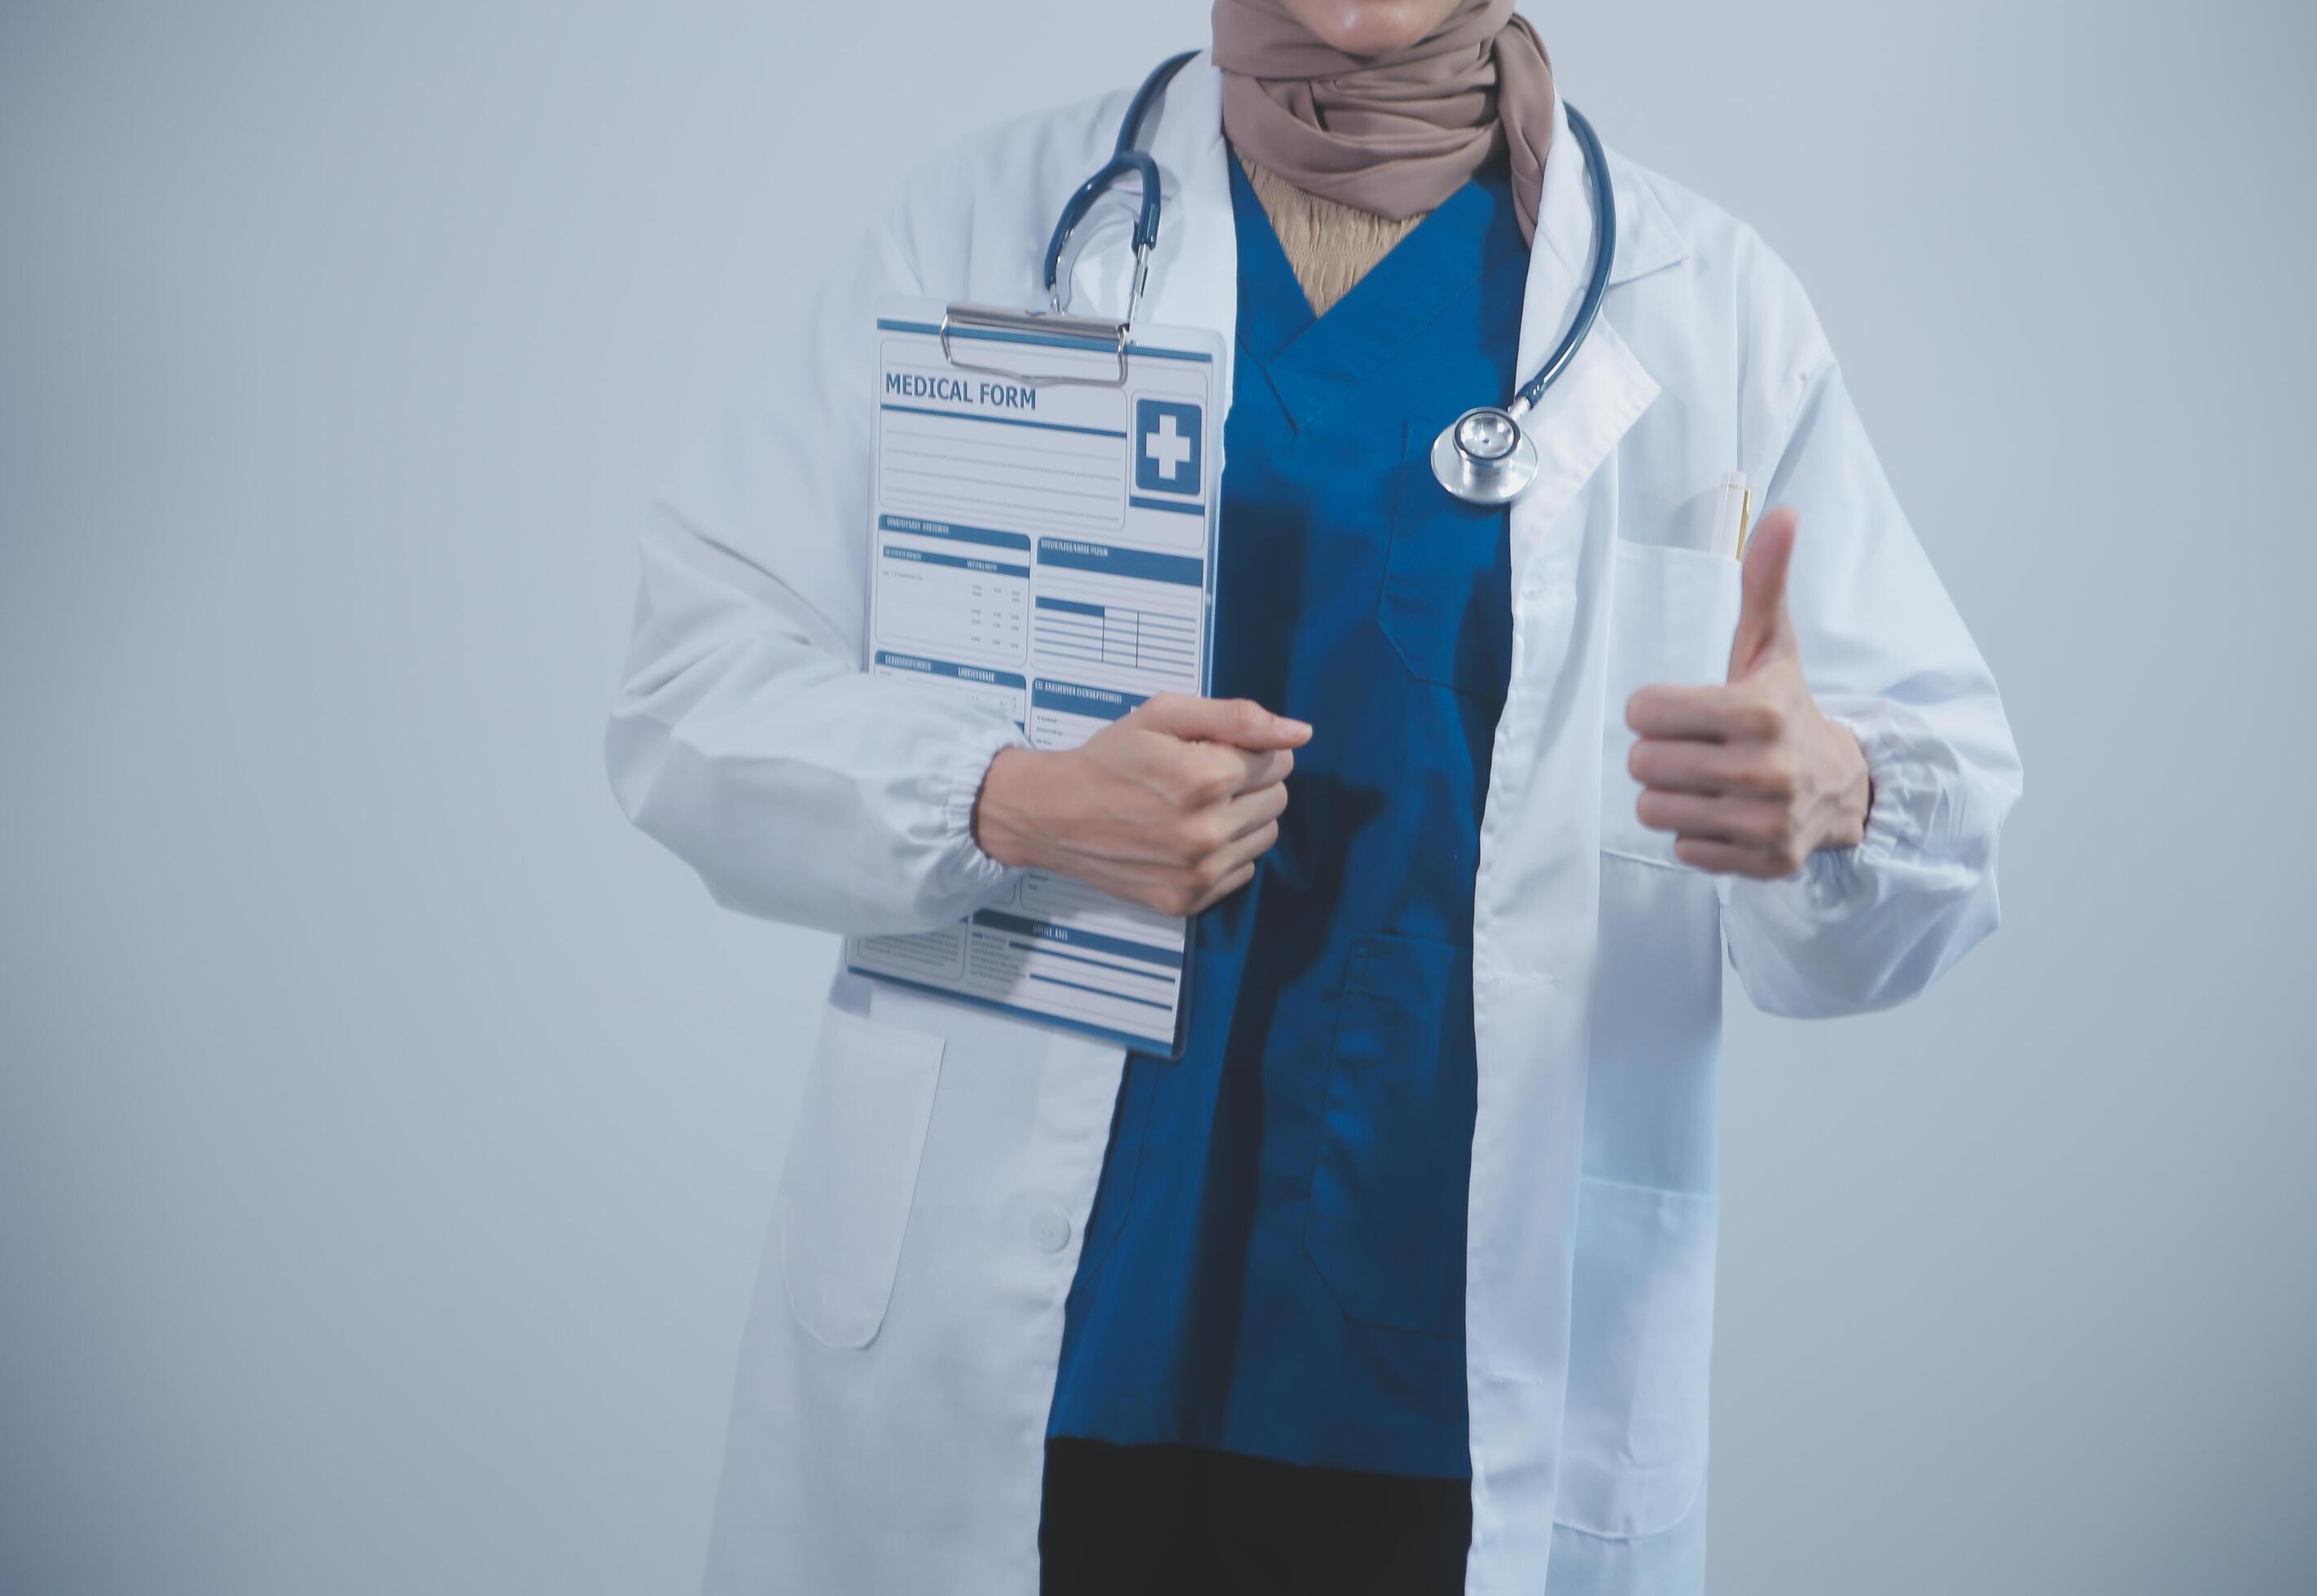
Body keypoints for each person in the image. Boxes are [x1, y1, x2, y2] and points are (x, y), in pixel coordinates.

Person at [605, 2, 2022, 1591]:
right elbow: (693, 687)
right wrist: (1002, 798)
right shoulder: (989, 224)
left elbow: (1938, 833)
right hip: (1040, 1339)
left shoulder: (1706, 305)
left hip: (1450, 1378)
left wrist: (1836, 795)